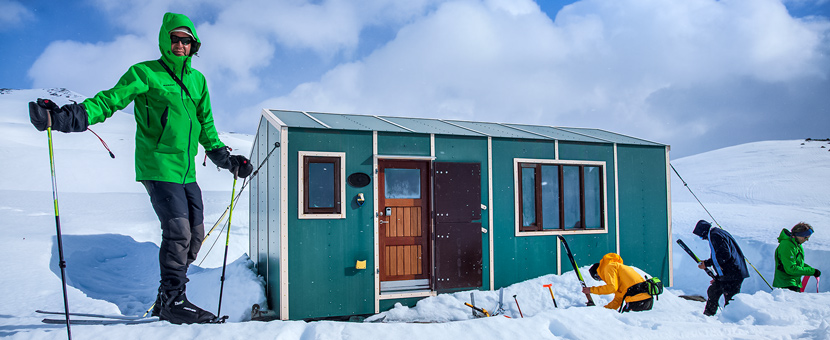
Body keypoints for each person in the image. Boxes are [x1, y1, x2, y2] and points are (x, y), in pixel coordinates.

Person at [28, 12, 253, 324]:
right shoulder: (145, 73)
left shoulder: (198, 81)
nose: (179, 44)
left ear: (193, 45)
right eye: (174, 38)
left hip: (186, 171)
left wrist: (227, 160)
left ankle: (166, 298)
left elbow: (206, 126)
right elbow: (110, 100)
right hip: (157, 165)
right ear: (165, 40)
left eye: (186, 40)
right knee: (178, 231)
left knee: (196, 235)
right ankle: (175, 300)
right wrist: (69, 117)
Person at [692, 220, 749, 316]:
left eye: (701, 236)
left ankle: (732, 319)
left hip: (733, 274)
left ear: (704, 232)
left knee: (730, 299)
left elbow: (724, 255)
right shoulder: (717, 233)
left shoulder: (715, 235)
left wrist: (706, 263)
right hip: (728, 273)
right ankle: (708, 316)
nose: (702, 239)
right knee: (713, 291)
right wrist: (719, 277)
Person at [581, 253, 653, 312]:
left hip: (637, 300)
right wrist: (602, 311)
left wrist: (591, 290)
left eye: (597, 278)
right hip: (647, 301)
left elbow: (611, 288)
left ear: (598, 272)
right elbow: (617, 300)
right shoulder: (618, 270)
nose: (600, 280)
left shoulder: (609, 267)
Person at [773, 222, 821, 292]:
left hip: (794, 282)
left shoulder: (796, 244)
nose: (807, 240)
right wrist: (812, 271)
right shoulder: (787, 246)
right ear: (799, 235)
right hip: (786, 284)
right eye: (806, 237)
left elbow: (797, 264)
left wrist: (812, 270)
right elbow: (791, 269)